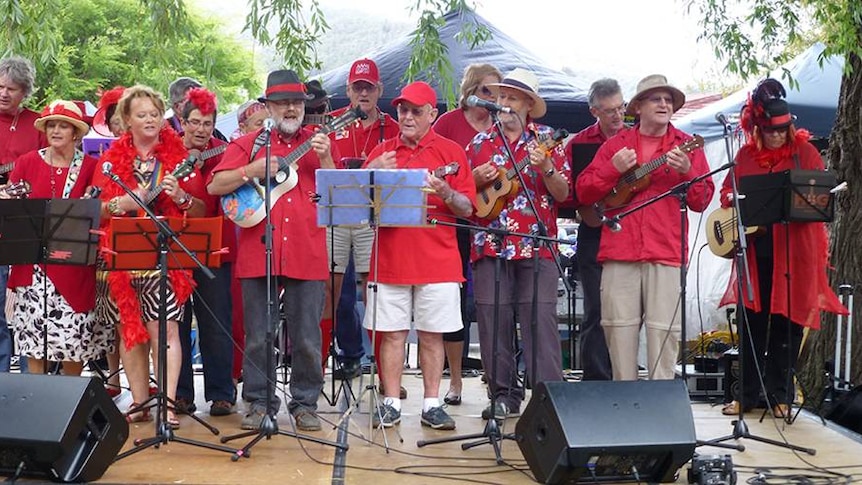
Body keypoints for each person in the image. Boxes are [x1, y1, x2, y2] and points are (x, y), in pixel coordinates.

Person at [208, 69, 339, 432]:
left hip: (307, 249)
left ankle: (305, 403)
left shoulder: (319, 142)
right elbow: (217, 184)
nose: (291, 108)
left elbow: (339, 197)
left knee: (308, 336)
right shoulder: (248, 144)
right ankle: (258, 402)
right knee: (258, 334)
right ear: (269, 107)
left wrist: (327, 160)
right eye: (283, 102)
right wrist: (251, 168)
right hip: (258, 249)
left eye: (297, 102)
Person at [718, 80, 847, 417]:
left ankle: (780, 397)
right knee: (751, 326)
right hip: (757, 252)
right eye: (770, 131)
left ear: (790, 127)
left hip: (794, 253)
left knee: (786, 327)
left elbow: (817, 198)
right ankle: (745, 395)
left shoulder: (806, 153)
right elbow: (726, 193)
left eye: (782, 130)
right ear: (758, 130)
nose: (776, 136)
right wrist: (732, 198)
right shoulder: (745, 155)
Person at [576, 74, 714, 381]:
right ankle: (625, 404)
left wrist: (687, 172)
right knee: (618, 328)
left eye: (668, 100)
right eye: (656, 99)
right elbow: (583, 191)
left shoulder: (683, 146)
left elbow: (702, 200)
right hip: (619, 250)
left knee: (663, 332)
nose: (664, 104)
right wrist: (613, 169)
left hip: (664, 251)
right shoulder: (617, 145)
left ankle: (660, 406)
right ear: (638, 107)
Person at [362, 81, 476, 430]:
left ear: (432, 114)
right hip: (391, 258)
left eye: (415, 111)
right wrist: (373, 173)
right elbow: (357, 209)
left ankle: (431, 404)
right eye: (402, 110)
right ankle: (392, 402)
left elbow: (468, 207)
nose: (407, 117)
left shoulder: (451, 151)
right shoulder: (383, 151)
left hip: (438, 260)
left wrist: (446, 190)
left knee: (432, 335)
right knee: (393, 334)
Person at [92, 85, 207, 427]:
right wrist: (120, 204)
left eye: (155, 114)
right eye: (141, 115)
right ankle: (140, 402)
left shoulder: (178, 159)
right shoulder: (110, 160)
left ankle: (167, 405)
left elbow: (200, 211)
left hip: (164, 259)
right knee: (130, 331)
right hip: (122, 258)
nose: (150, 120)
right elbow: (94, 209)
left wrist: (182, 196)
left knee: (166, 330)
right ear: (126, 120)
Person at [466, 68, 571, 420]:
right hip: (490, 244)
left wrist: (547, 169)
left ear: (528, 104)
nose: (505, 102)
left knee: (539, 321)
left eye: (512, 97)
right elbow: (466, 203)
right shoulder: (478, 144)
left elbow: (563, 193)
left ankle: (547, 399)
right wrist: (475, 181)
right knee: (493, 322)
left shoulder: (546, 139)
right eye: (502, 96)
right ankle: (503, 395)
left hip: (536, 242)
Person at [3, 100, 110, 376]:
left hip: (74, 267)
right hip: (33, 266)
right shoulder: (27, 162)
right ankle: (38, 404)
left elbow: (99, 211)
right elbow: (12, 211)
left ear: (76, 132)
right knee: (34, 344)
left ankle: (72, 406)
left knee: (74, 343)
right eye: (52, 125)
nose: (56, 130)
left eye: (64, 125)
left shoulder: (89, 166)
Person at [325, 58, 399, 390]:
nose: (363, 93)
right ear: (349, 91)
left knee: (376, 292)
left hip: (375, 215)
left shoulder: (393, 127)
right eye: (358, 87)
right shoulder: (332, 124)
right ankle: (321, 371)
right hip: (338, 214)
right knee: (330, 290)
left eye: (369, 88)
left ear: (379, 90)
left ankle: (386, 375)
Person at [433, 63, 503, 405]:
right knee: (455, 305)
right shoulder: (448, 124)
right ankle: (455, 381)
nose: (496, 98)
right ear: (472, 91)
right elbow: (433, 176)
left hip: (494, 225)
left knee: (495, 304)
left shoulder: (502, 125)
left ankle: (498, 379)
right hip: (456, 227)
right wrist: (469, 181)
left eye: (499, 91)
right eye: (489, 91)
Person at [174, 87, 237, 417]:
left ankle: (221, 393)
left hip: (216, 248)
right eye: (195, 122)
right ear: (182, 121)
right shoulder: (166, 152)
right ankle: (181, 393)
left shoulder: (225, 152)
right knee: (177, 323)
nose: (201, 129)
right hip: (174, 249)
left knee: (216, 322)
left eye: (208, 123)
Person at [563, 78, 627, 381]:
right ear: (594, 112)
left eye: (621, 108)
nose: (618, 116)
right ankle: (597, 379)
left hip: (630, 228)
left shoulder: (637, 138)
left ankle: (624, 376)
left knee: (627, 310)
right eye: (610, 111)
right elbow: (570, 195)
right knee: (596, 310)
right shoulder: (580, 144)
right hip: (594, 228)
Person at [0, 56, 46, 373]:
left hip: (27, 227)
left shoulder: (40, 123)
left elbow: (49, 170)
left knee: (26, 309)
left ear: (25, 92)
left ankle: (31, 383)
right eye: (0, 86)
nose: (3, 93)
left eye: (11, 89)